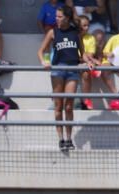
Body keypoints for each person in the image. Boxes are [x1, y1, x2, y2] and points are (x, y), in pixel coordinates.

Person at [38, 5, 82, 152]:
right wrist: (44, 61)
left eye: (59, 16)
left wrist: (89, 61)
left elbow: (82, 53)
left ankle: (69, 139)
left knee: (69, 106)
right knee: (58, 106)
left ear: (67, 18)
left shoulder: (76, 32)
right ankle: (60, 139)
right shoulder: (52, 32)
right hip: (57, 70)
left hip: (72, 69)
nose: (56, 19)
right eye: (56, 16)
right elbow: (41, 51)